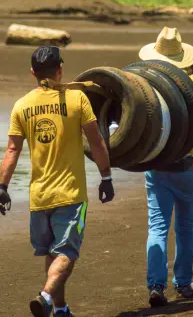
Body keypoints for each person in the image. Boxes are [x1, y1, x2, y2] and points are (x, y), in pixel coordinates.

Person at [0, 46, 115, 317]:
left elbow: (12, 151)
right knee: (66, 253)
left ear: (32, 72)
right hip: (70, 194)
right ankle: (44, 297)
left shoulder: (22, 105)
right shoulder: (77, 100)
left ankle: (60, 308)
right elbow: (97, 141)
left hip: (38, 197)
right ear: (60, 69)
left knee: (53, 253)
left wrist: (3, 186)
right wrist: (106, 176)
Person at [139, 27, 193, 307]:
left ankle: (156, 286)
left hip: (158, 164)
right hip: (191, 165)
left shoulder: (145, 81)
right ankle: (183, 283)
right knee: (186, 228)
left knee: (157, 228)